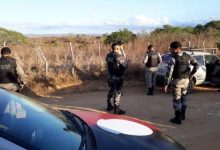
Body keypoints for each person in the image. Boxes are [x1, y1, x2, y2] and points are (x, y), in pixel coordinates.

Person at [163, 41, 199, 124]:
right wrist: (191, 75)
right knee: (184, 97)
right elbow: (197, 65)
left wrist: (166, 84)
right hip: (186, 80)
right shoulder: (188, 56)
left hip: (177, 81)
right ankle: (182, 116)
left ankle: (177, 118)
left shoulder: (173, 58)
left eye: (171, 49)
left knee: (177, 100)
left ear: (176, 49)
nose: (170, 50)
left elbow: (169, 72)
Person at [106, 43, 128, 114]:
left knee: (111, 90)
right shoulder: (119, 56)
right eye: (119, 48)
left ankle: (109, 106)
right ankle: (116, 109)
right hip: (117, 77)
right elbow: (124, 65)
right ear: (118, 49)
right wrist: (127, 62)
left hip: (110, 76)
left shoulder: (108, 55)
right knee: (117, 92)